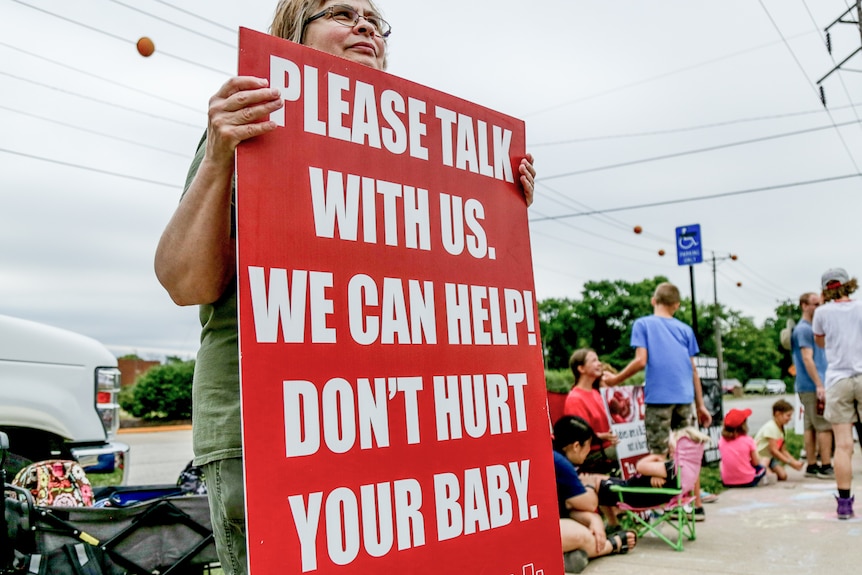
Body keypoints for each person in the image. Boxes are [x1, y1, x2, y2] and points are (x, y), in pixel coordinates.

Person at [153, 2, 537, 572]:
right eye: (339, 11)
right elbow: (184, 282)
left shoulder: (420, 158)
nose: (363, 26)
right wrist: (219, 156)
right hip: (271, 437)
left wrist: (498, 204)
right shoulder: (251, 122)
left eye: (373, 20)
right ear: (291, 35)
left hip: (394, 431)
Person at [602, 282, 712, 520]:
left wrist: (614, 380)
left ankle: (667, 504)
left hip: (659, 399)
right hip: (685, 397)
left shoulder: (643, 324)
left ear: (653, 301)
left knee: (659, 453)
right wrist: (701, 404)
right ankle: (696, 504)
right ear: (677, 305)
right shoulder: (685, 330)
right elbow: (693, 369)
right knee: (688, 452)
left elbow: (641, 361)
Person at [553, 416, 637, 574]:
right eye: (589, 445)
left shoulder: (558, 455)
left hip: (557, 516)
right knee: (584, 536)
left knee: (586, 522)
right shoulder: (561, 463)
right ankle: (611, 545)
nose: (589, 450)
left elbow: (571, 505)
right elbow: (589, 504)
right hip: (542, 529)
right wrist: (591, 484)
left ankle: (569, 557)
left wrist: (594, 518)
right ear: (576, 446)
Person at [813, 267, 862, 520]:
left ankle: (844, 504)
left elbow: (821, 342)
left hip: (838, 380)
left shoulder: (821, 312)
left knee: (843, 446)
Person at [596, 426, 711, 510]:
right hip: (636, 491)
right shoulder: (689, 469)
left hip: (630, 495)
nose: (670, 453)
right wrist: (655, 474)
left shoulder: (671, 468)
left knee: (593, 484)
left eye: (671, 449)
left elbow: (640, 466)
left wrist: (656, 456)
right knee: (598, 479)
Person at [792, 292, 833, 478]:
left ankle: (811, 464)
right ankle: (825, 465)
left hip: (807, 384)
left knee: (810, 426)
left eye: (820, 304)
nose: (818, 308)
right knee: (824, 425)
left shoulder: (809, 328)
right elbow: (807, 358)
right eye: (814, 304)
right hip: (812, 384)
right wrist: (819, 384)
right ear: (804, 305)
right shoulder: (804, 330)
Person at [563, 348, 620, 474]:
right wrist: (605, 436)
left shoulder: (595, 393)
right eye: (594, 360)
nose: (599, 363)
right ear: (581, 369)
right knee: (630, 451)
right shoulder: (575, 398)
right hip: (591, 454)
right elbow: (579, 437)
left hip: (608, 446)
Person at [754, 399, 803, 482]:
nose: (790, 418)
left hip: (770, 458)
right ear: (778, 414)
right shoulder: (770, 427)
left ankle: (768, 469)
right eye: (788, 415)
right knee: (771, 479)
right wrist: (790, 463)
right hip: (759, 457)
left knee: (783, 476)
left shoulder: (781, 428)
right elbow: (774, 450)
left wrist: (795, 461)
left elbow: (783, 450)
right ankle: (759, 470)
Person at [718, 408, 767, 487]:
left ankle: (727, 477)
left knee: (721, 462)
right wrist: (754, 446)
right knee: (762, 468)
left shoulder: (721, 441)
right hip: (747, 481)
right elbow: (756, 462)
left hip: (727, 482)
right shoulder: (748, 440)